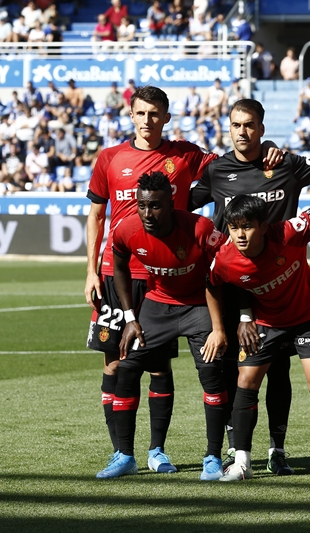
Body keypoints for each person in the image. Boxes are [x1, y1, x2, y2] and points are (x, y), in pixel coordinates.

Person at [189, 98, 310, 477]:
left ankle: (278, 447)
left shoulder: (284, 163)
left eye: (250, 125)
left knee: (280, 372)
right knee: (235, 370)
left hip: (284, 282)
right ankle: (234, 448)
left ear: (261, 128)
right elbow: (182, 202)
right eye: (236, 125)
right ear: (229, 128)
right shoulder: (217, 170)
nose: (243, 132)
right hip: (237, 283)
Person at [85, 86, 219, 474]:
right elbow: (96, 216)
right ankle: (120, 453)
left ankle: (156, 450)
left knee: (159, 367)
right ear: (131, 115)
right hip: (117, 272)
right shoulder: (110, 158)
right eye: (141, 113)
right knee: (115, 364)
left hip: (165, 279)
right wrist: (91, 269)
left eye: (155, 113)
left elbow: (228, 167)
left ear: (166, 117)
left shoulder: (187, 154)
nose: (147, 121)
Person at [96, 171, 227, 480]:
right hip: (158, 303)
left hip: (198, 304)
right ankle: (125, 456)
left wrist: (221, 326)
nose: (147, 213)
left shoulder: (200, 228)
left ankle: (213, 457)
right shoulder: (126, 229)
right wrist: (130, 318)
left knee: (211, 373)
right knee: (127, 368)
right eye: (142, 205)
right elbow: (119, 269)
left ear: (171, 203)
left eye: (154, 206)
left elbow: (222, 272)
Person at [206, 195, 310, 483]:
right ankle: (242, 463)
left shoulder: (289, 233)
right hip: (267, 322)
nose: (240, 234)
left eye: (247, 227)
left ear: (263, 226)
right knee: (246, 380)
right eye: (234, 227)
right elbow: (211, 286)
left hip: (307, 316)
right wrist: (221, 327)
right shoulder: (226, 258)